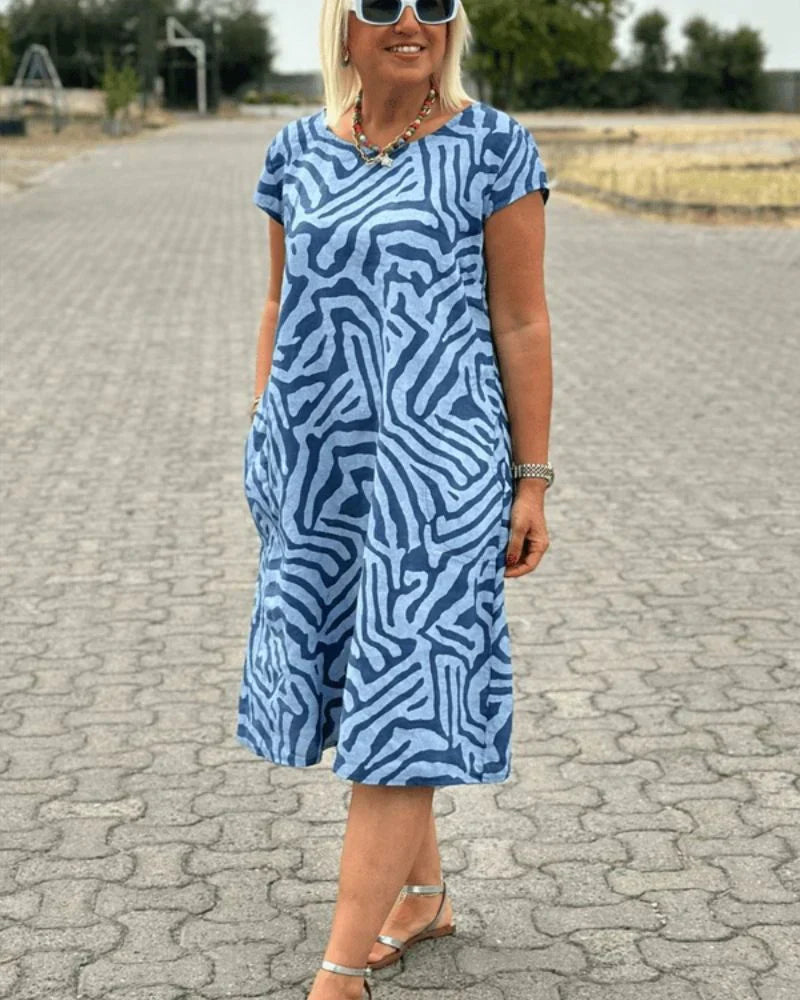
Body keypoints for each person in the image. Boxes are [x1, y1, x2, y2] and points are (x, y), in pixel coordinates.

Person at [237, 1, 553, 997]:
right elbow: (279, 301)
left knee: (404, 689)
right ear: (344, 26)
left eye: (433, 2)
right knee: (359, 677)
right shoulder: (295, 152)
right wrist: (264, 428)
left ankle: (337, 971)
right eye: (381, 3)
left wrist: (532, 478)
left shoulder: (493, 147)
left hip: (437, 474)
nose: (410, 20)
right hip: (319, 470)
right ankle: (421, 896)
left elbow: (521, 320)